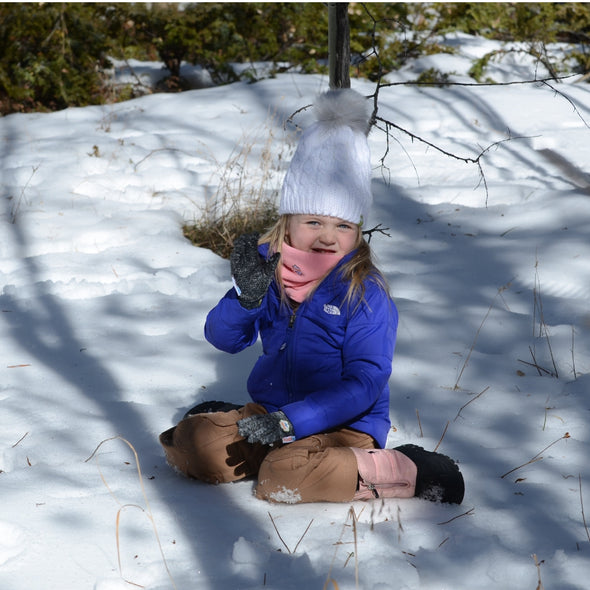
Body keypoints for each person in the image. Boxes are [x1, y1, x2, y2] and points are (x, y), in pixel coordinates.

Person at [159, 89, 465, 505]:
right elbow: (224, 339)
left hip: (344, 426)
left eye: (342, 225)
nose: (326, 236)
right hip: (271, 413)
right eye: (314, 220)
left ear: (357, 230)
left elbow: (365, 381)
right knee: (192, 443)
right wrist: (244, 298)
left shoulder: (364, 293)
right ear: (288, 221)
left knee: (282, 478)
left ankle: (408, 468)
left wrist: (294, 422)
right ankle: (235, 425)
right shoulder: (270, 271)